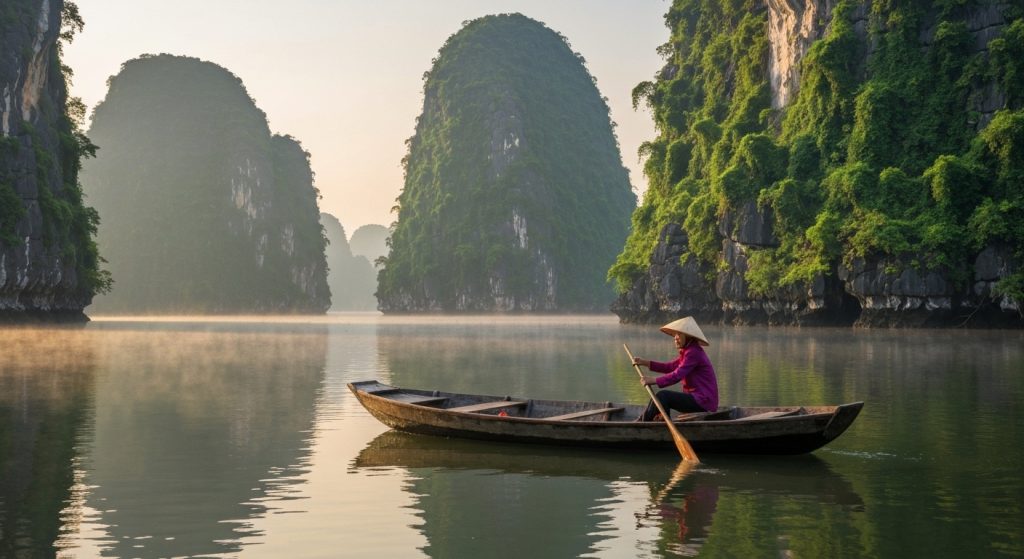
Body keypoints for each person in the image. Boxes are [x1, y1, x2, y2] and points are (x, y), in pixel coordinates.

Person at [632, 316, 719, 421]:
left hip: (704, 401)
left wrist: (653, 380)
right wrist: (644, 362)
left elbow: (677, 375)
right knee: (661, 399)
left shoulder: (693, 352)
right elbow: (670, 367)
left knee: (663, 396)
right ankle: (649, 421)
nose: (675, 338)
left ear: (688, 336)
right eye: (675, 335)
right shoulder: (688, 351)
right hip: (698, 399)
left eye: (679, 334)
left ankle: (643, 423)